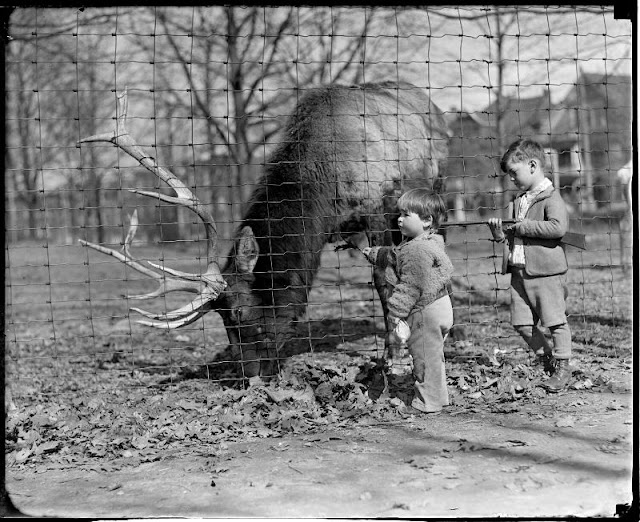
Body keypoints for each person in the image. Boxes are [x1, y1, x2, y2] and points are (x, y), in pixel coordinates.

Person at [487, 139, 573, 392]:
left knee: (555, 321)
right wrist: (499, 234)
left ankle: (563, 367)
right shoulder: (519, 200)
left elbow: (558, 227)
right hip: (519, 272)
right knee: (522, 324)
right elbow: (511, 234)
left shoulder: (550, 197)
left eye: (514, 172)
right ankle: (548, 361)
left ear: (533, 165)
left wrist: (523, 226)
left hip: (545, 273)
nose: (512, 179)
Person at [363, 188, 454, 413]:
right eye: (399, 214)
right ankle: (439, 397)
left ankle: (428, 403)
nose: (399, 219)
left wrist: (395, 312)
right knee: (434, 356)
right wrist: (376, 254)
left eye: (406, 215)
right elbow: (395, 255)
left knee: (423, 359)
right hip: (440, 306)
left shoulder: (417, 251)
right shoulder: (428, 242)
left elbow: (410, 285)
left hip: (425, 312)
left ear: (426, 220)